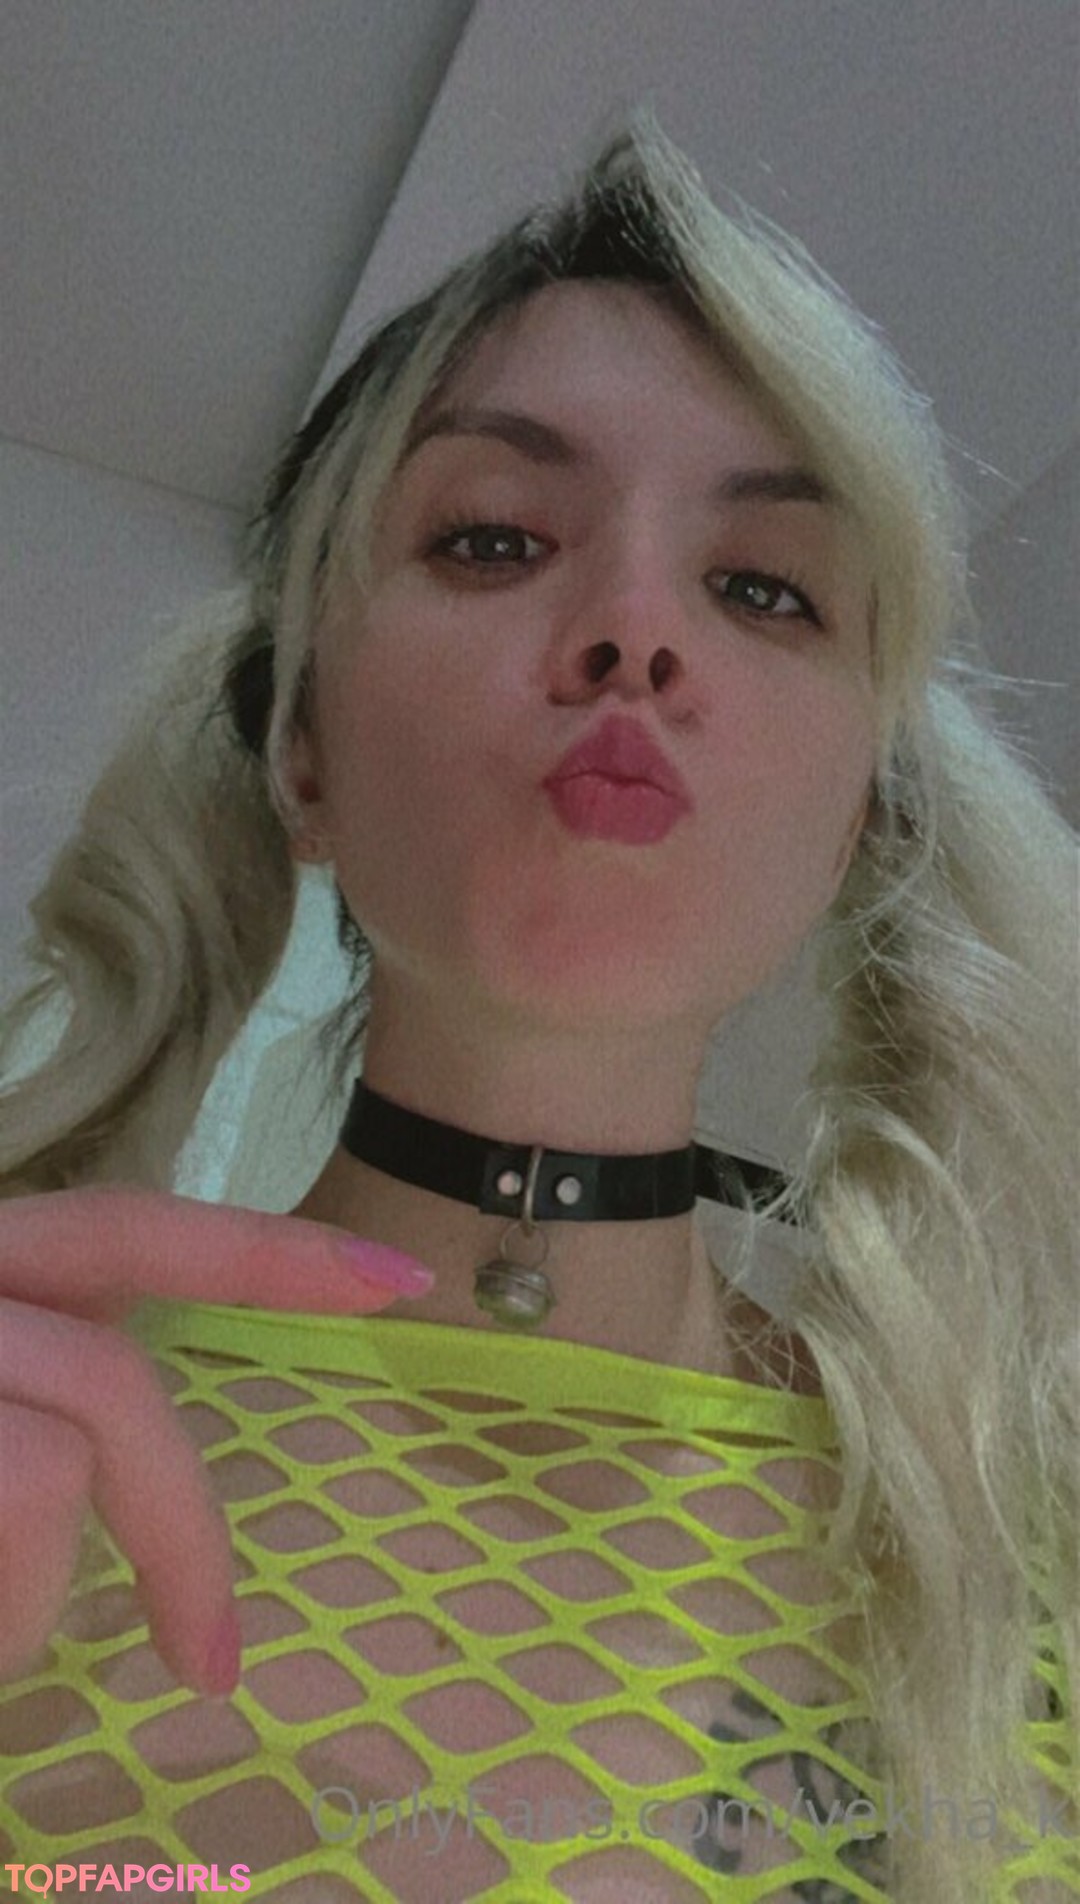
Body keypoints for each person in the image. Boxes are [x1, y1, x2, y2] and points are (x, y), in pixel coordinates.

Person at [0, 112, 1075, 1904]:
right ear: (301, 746)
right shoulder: (36, 1441)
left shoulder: (1017, 1553)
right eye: (495, 540)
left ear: (856, 822)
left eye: (763, 588)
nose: (636, 628)